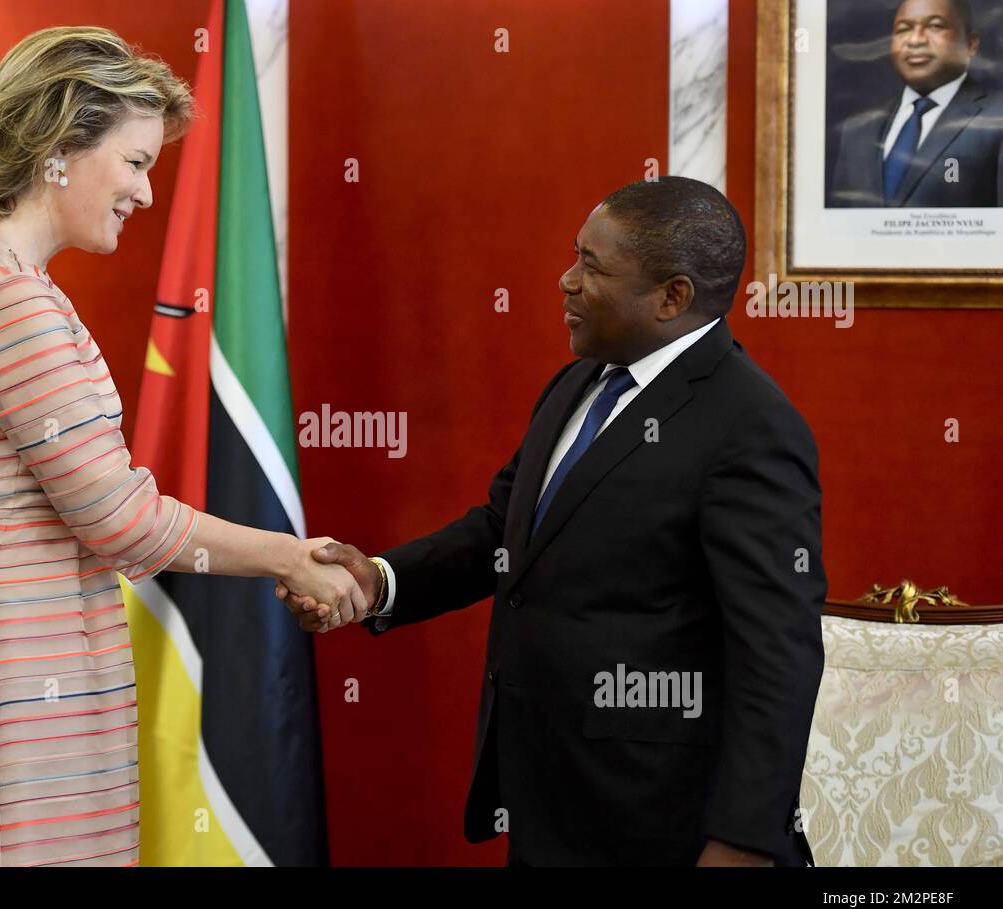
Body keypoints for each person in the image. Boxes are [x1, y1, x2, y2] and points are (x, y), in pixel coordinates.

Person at [0, 25, 363, 867]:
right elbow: (121, 522)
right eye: (134, 162)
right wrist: (287, 556)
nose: (146, 193)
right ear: (58, 145)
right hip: (14, 686)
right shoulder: (15, 306)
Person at [278, 177, 826, 867]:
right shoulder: (581, 382)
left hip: (658, 822)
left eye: (593, 267)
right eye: (576, 256)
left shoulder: (751, 426)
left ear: (673, 297)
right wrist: (380, 581)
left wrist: (745, 840)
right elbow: (503, 533)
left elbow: (778, 653)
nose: (566, 280)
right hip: (545, 799)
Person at [829, 0, 1003, 207]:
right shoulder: (857, 131)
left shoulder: (996, 117)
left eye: (935, 26)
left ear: (971, 44)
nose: (915, 40)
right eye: (903, 29)